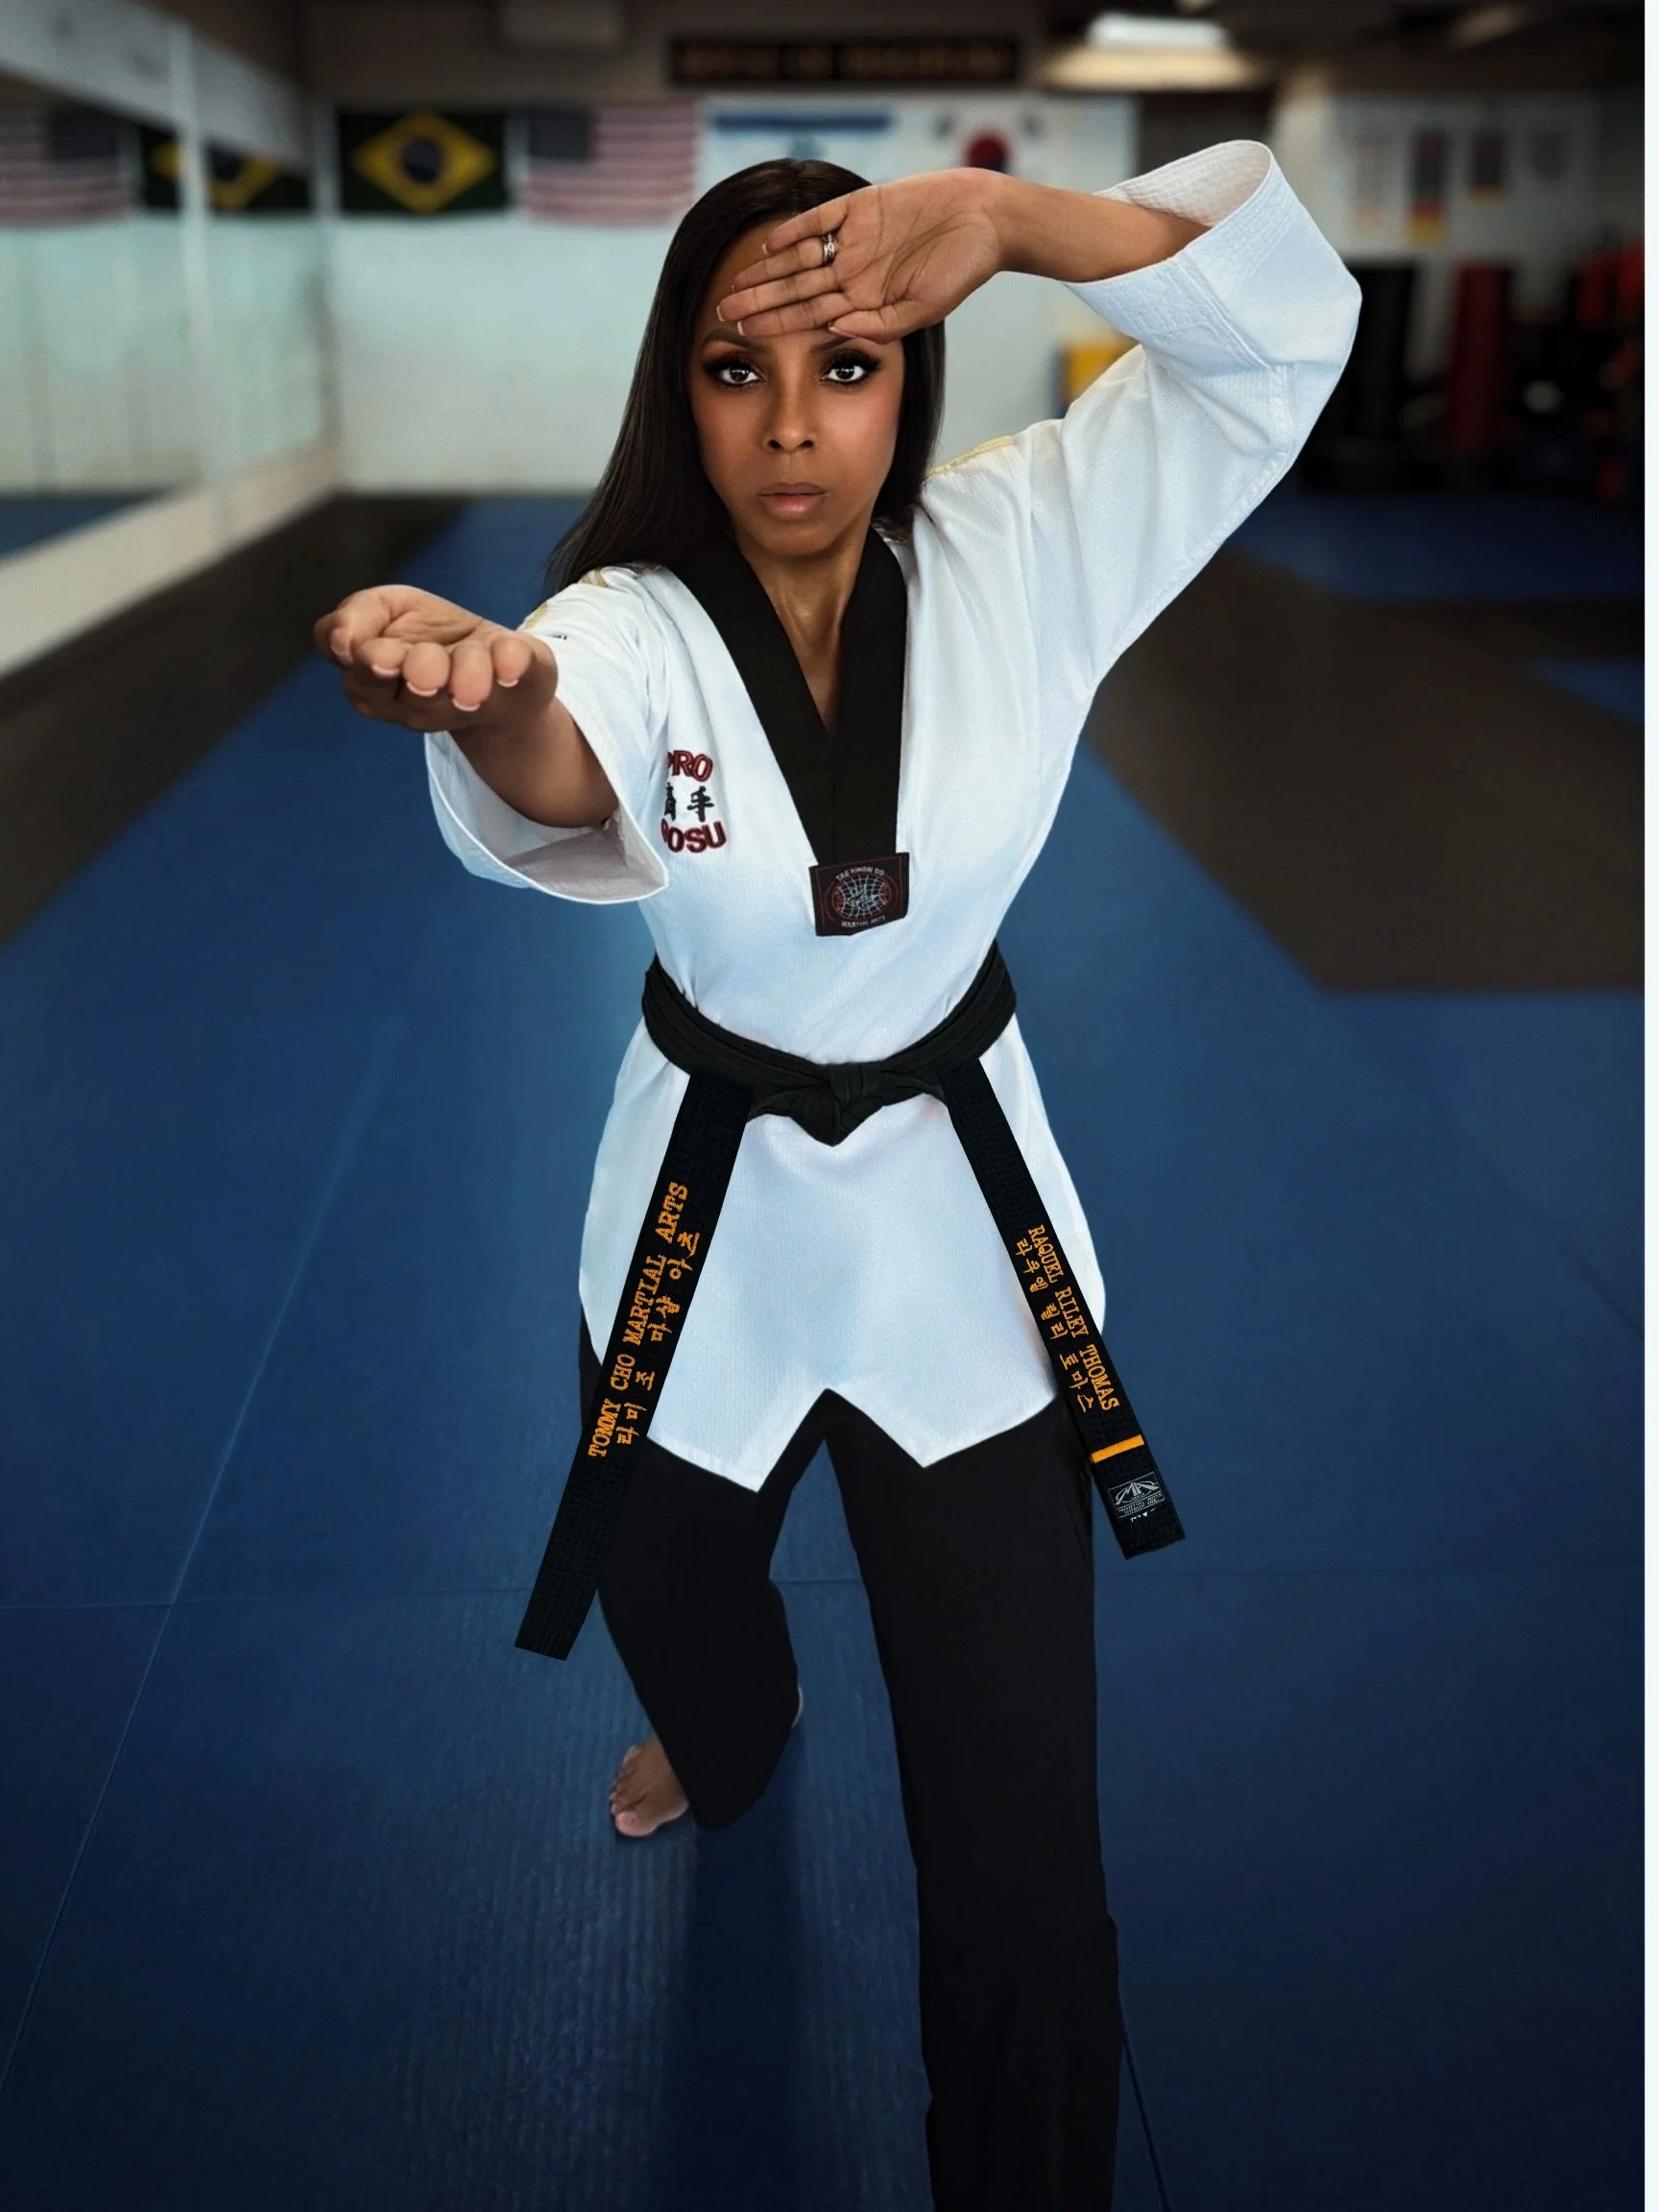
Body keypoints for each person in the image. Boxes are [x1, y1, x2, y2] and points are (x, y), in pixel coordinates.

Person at [315, 141, 1358, 2210]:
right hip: (706, 1208)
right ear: (673, 392)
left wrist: (1034, 226)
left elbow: (1279, 350)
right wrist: (481, 696)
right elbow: (559, 748)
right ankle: (730, 1731)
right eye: (735, 369)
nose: (795, 428)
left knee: (1030, 1879)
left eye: (853, 361)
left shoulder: (1031, 547)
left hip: (961, 1238)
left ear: (917, 372)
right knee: (669, 1595)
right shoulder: (623, 622)